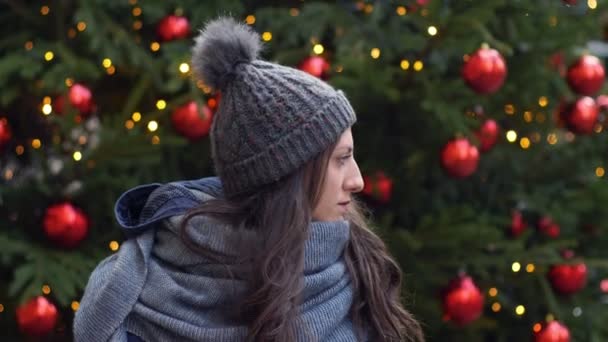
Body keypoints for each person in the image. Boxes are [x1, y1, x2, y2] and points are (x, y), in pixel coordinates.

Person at [73, 17, 424, 342]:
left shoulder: (357, 265)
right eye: (341, 160)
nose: (358, 181)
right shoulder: (139, 296)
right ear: (287, 175)